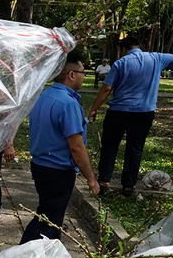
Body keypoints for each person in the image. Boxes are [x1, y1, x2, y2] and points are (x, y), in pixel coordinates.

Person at [20, 51, 99, 244]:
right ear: (72, 75)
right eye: (82, 72)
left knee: (49, 214)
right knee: (48, 222)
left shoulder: (44, 95)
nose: (83, 77)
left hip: (40, 166)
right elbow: (77, 148)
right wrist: (91, 178)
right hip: (58, 171)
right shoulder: (68, 104)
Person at [89, 36, 173, 196]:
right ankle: (128, 186)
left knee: (110, 145)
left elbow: (107, 88)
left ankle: (104, 182)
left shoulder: (120, 63)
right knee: (135, 148)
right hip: (144, 112)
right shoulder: (157, 58)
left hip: (119, 111)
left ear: (123, 49)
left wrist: (94, 108)